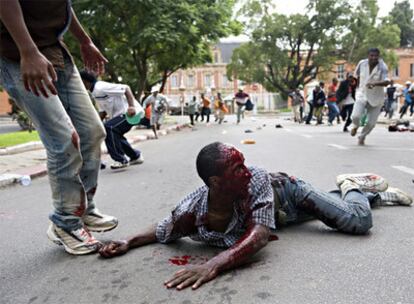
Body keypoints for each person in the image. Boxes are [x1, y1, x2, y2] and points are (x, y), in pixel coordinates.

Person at [99, 142, 412, 290]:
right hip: (280, 216)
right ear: (216, 183)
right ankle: (374, 195)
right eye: (237, 168)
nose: (246, 171)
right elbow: (164, 227)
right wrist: (127, 240)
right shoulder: (193, 211)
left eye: (244, 163)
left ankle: (353, 185)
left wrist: (212, 265)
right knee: (340, 209)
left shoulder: (258, 178)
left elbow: (260, 236)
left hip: (289, 193)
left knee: (358, 222)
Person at [0, 0, 117, 255]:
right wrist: (27, 51)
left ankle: (83, 209)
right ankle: (65, 222)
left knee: (92, 131)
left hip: (55, 50)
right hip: (17, 53)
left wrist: (84, 40)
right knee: (64, 140)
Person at [80, 71, 144, 170]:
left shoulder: (100, 86)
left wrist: (131, 106)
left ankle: (120, 160)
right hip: (120, 116)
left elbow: (126, 88)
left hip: (131, 114)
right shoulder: (94, 92)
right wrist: (95, 124)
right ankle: (135, 156)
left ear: (85, 81)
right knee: (114, 134)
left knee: (109, 128)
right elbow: (103, 111)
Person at [350, 48, 390, 145]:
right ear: (368, 56)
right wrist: (353, 84)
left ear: (378, 56)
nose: (373, 58)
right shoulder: (362, 64)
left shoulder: (382, 67)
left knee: (371, 123)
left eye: (376, 56)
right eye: (371, 55)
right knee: (355, 116)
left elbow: (387, 82)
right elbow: (356, 77)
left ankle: (362, 136)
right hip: (362, 94)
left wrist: (375, 83)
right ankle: (356, 125)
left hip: (377, 98)